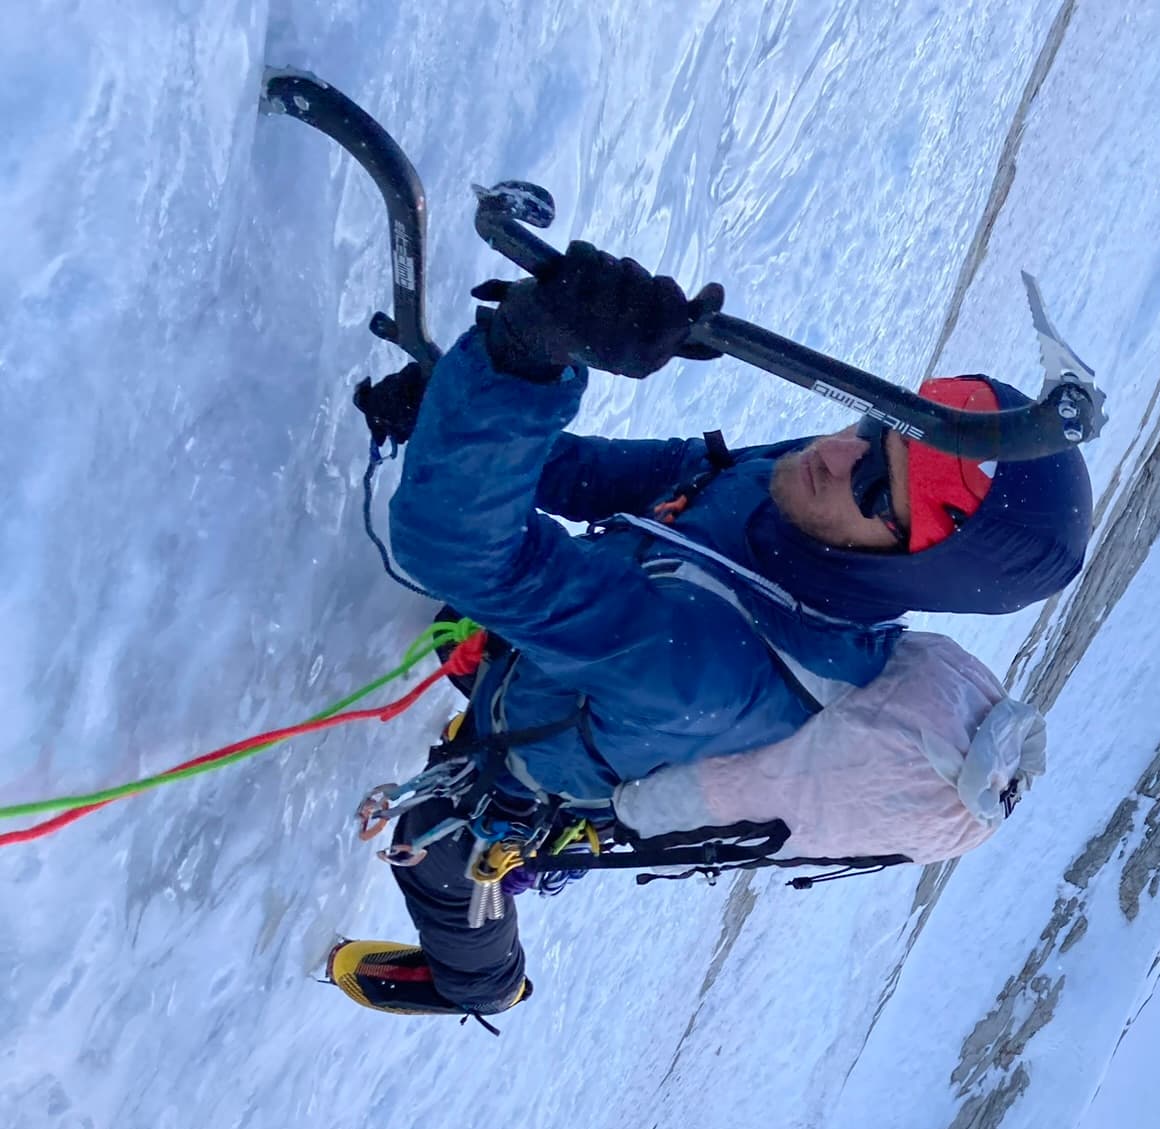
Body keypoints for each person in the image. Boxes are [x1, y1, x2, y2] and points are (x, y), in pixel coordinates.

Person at [327, 243, 1093, 1020]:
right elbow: (616, 481)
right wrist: (463, 406)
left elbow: (451, 546)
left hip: (535, 756)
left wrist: (522, 356)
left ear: (909, 571)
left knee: (433, 846)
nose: (833, 451)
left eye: (871, 482)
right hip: (575, 654)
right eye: (874, 428)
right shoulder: (800, 494)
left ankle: (481, 980)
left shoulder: (714, 667)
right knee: (493, 621)